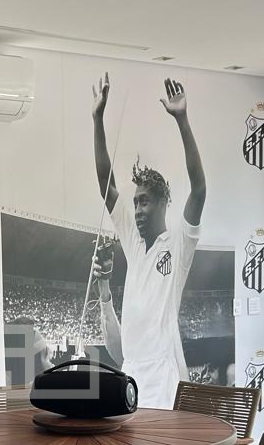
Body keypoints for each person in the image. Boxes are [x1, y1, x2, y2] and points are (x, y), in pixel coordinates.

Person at [88, 73, 206, 408]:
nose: (138, 210)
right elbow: (106, 184)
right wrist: (97, 119)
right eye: (136, 202)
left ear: (163, 203)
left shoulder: (178, 245)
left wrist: (182, 120)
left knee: (157, 444)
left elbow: (199, 189)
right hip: (131, 371)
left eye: (145, 202)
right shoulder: (134, 243)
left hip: (162, 375)